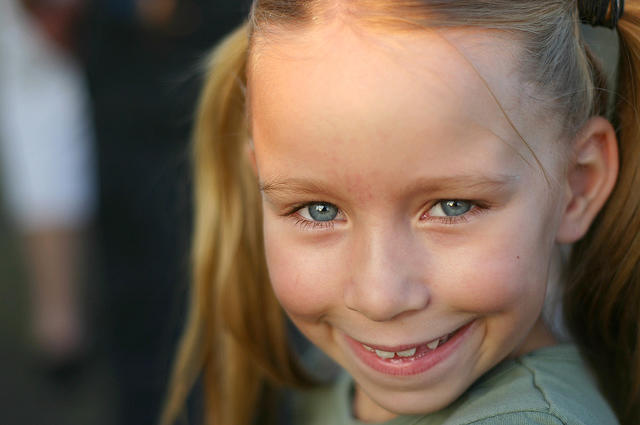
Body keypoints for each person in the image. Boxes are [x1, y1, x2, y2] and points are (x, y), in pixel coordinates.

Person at [161, 0, 640, 424]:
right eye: (320, 210)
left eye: (452, 207)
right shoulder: (334, 372)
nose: (379, 297)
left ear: (577, 185)